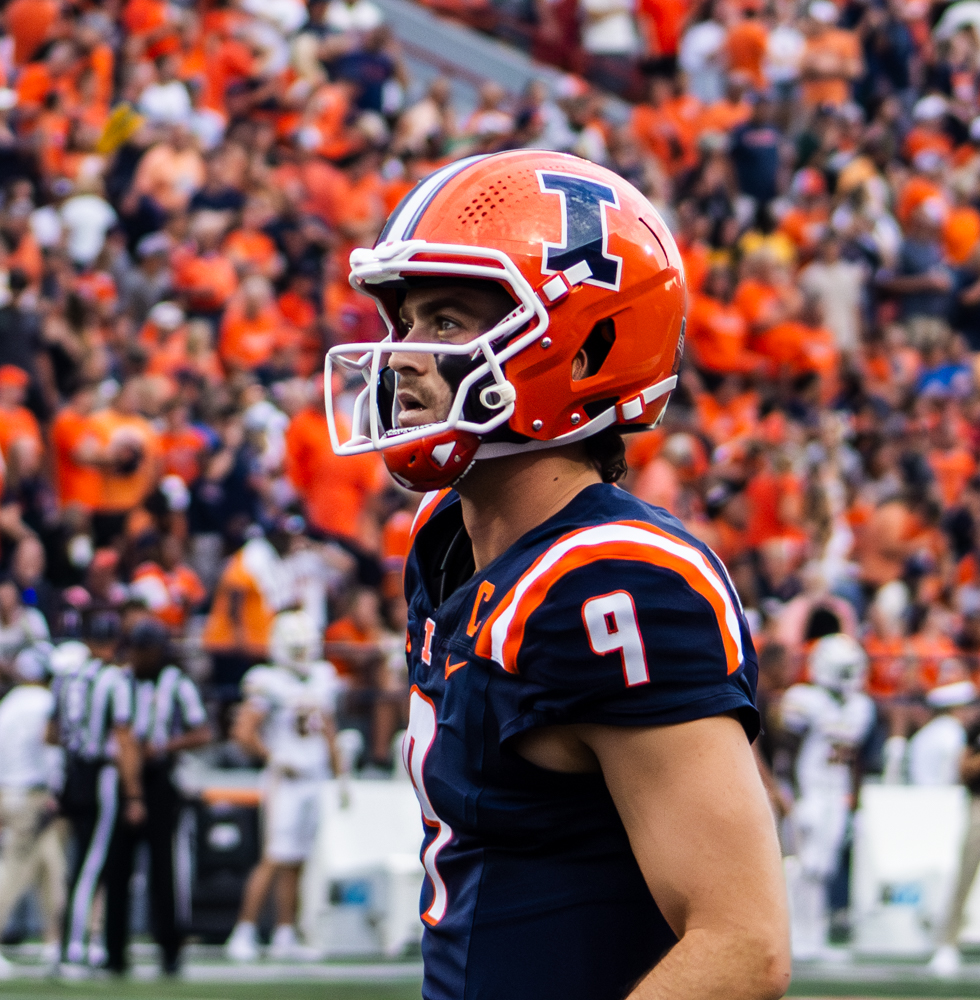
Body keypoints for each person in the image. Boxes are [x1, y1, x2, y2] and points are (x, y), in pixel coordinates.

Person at [323, 150, 787, 999]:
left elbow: (740, 946)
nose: (401, 357)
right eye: (405, 322)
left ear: (583, 350)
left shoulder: (616, 582)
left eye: (446, 322)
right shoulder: (447, 538)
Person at [225, 610, 341, 962]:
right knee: (274, 856)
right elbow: (243, 731)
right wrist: (274, 757)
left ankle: (285, 932)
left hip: (313, 777)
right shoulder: (267, 681)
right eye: (296, 646)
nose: (302, 652)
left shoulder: (322, 677)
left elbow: (328, 727)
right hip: (285, 781)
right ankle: (243, 931)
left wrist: (340, 772)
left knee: (298, 858)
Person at [106, 618, 211, 975]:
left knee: (164, 868)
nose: (137, 656)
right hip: (121, 776)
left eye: (144, 650)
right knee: (118, 867)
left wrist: (166, 745)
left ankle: (169, 949)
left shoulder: (176, 683)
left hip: (160, 778)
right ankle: (115, 952)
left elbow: (202, 731)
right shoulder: (119, 681)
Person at [0, 642, 69, 976]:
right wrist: (56, 789)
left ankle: (57, 941)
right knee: (12, 870)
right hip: (33, 793)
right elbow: (51, 750)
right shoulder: (45, 703)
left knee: (51, 867)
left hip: (7, 793)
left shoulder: (6, 705)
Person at [52, 633, 144, 972]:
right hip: (100, 774)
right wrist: (134, 792)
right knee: (91, 865)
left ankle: (79, 940)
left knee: (81, 861)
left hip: (72, 772)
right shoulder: (114, 680)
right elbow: (123, 737)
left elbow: (51, 732)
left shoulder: (68, 678)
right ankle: (74, 944)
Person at [778, 634, 874, 961]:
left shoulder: (861, 706)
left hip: (836, 793)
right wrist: (793, 797)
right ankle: (793, 933)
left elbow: (854, 759)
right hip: (809, 789)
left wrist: (855, 801)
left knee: (822, 868)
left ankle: (813, 935)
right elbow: (787, 753)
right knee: (802, 865)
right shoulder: (804, 699)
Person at [930, 681, 980, 976]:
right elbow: (964, 769)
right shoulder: (975, 726)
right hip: (978, 804)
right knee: (965, 873)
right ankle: (947, 942)